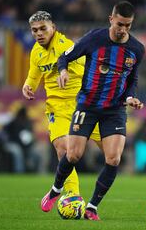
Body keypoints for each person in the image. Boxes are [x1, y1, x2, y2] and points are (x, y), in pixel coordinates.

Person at [41, 1, 145, 220]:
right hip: (87, 105)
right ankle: (56, 189)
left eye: (128, 25)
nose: (123, 29)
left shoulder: (137, 49)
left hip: (114, 109)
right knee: (74, 154)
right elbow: (64, 57)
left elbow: (132, 78)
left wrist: (130, 97)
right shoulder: (94, 38)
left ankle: (92, 207)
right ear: (111, 19)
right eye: (120, 24)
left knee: (114, 158)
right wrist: (63, 71)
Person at [22, 11, 101, 208]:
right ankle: (73, 195)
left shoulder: (67, 47)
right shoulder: (36, 52)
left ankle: (64, 191)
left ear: (53, 28)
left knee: (111, 156)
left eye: (42, 29)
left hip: (82, 105)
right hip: (57, 107)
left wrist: (66, 71)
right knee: (63, 149)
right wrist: (27, 85)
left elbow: (89, 71)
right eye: (34, 30)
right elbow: (34, 76)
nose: (39, 33)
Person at [3, 106, 42, 173]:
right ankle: (19, 172)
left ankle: (35, 172)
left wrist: (32, 141)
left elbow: (31, 136)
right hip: (13, 143)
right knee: (17, 152)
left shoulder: (28, 123)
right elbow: (5, 131)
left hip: (26, 146)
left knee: (36, 154)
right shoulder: (13, 122)